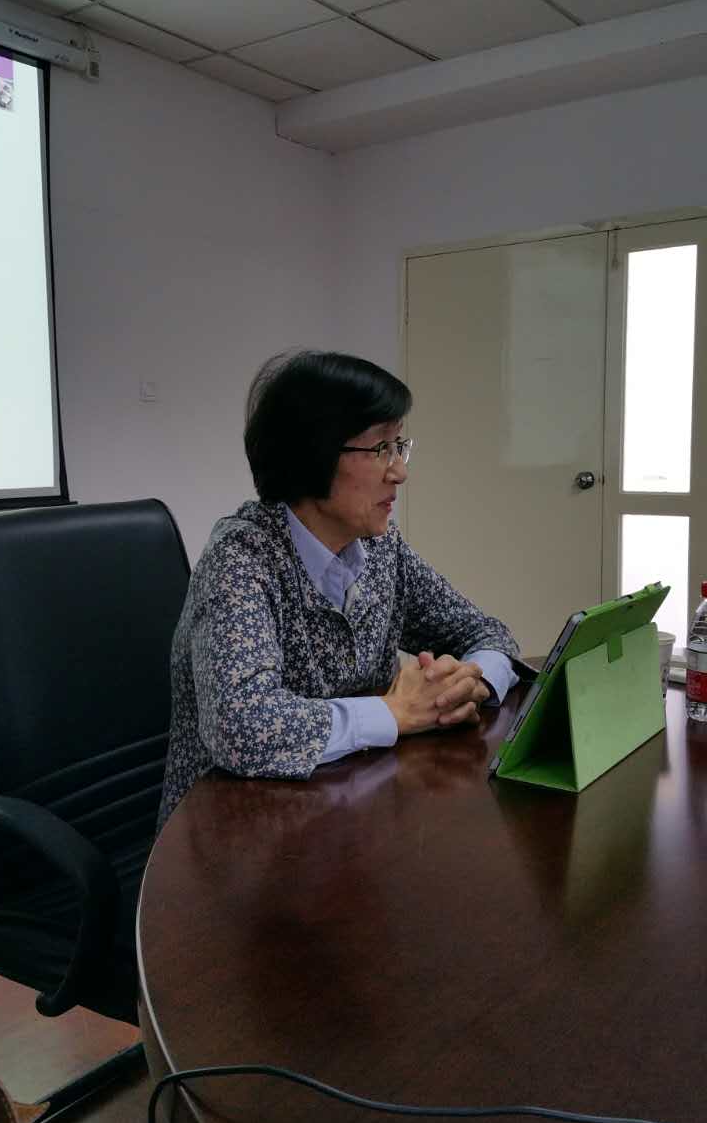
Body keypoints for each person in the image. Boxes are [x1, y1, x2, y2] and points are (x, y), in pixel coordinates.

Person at [157, 351, 530, 830]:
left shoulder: (379, 547)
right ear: (312, 454)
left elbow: (486, 632)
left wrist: (471, 682)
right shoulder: (242, 557)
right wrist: (395, 711)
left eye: (400, 446)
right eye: (381, 449)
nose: (399, 472)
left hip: (346, 812)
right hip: (233, 833)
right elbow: (242, 727)